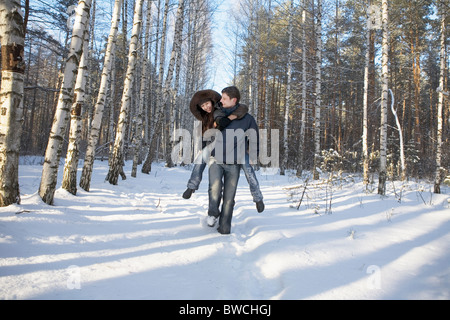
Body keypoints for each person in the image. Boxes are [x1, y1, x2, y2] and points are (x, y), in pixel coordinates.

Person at [182, 89, 264, 213]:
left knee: (248, 170)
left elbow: (242, 108)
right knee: (200, 158)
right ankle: (192, 186)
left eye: (207, 104)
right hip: (216, 146)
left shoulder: (221, 108)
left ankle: (257, 197)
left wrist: (230, 117)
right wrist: (202, 149)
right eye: (203, 106)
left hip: (236, 146)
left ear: (212, 101)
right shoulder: (205, 118)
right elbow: (205, 135)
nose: (206, 107)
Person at [207, 86, 261, 234]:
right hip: (216, 159)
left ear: (233, 100)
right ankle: (212, 212)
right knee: (214, 190)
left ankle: (224, 227)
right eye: (221, 98)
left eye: (224, 98)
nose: (221, 101)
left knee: (229, 198)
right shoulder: (217, 114)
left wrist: (252, 153)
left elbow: (254, 136)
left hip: (234, 163)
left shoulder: (247, 119)